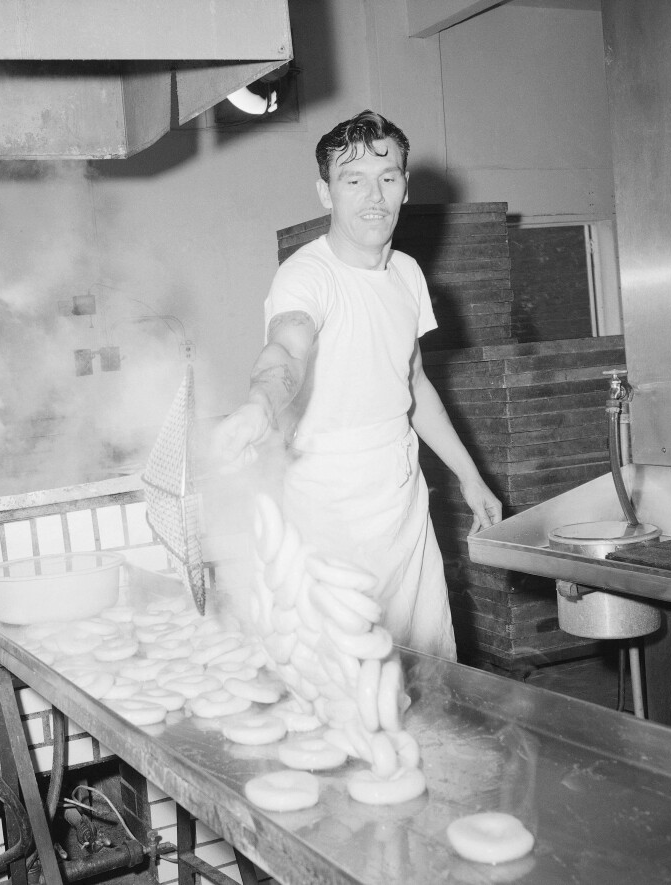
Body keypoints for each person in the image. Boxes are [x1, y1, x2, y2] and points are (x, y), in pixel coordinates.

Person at [213, 110, 502, 660]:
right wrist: (259, 404)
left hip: (398, 496)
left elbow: (413, 384)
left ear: (405, 186)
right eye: (353, 180)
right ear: (325, 192)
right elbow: (287, 348)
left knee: (424, 661)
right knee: (340, 668)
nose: (374, 197)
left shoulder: (408, 275)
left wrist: (470, 476)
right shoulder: (308, 275)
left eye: (387, 178)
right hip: (325, 502)